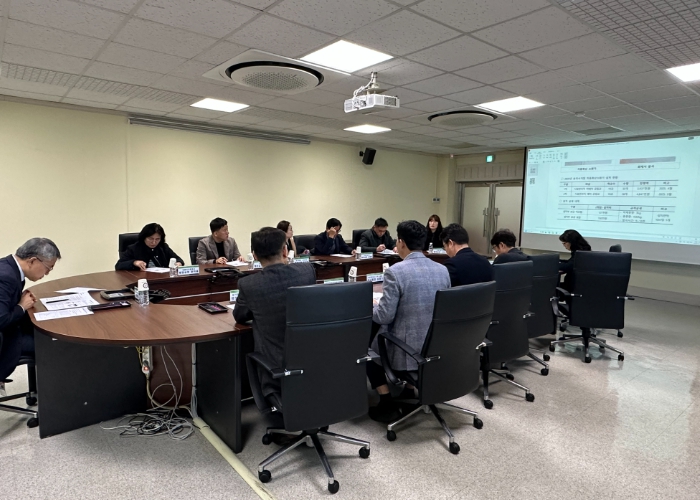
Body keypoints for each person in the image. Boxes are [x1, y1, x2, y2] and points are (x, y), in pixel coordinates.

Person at [367, 220, 451, 422]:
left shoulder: (395, 272)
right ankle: (408, 389)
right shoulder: (442, 270)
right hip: (435, 348)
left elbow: (385, 316)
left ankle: (386, 400)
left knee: (365, 350)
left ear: (401, 242)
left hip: (406, 352)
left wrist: (370, 307)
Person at [233, 227, 316, 398]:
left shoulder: (249, 284)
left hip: (276, 368)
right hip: (312, 360)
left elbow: (240, 316)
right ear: (285, 251)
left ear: (254, 255)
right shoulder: (307, 271)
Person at [0, 238, 61, 393]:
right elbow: (1, 320)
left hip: (9, 330)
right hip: (6, 338)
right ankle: (54, 398)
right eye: (48, 268)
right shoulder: (6, 277)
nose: (47, 273)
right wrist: (21, 306)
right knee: (53, 345)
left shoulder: (8, 266)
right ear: (32, 261)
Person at [115, 223, 185, 271]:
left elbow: (179, 259)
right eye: (151, 239)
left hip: (161, 279)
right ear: (144, 237)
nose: (154, 242)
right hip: (141, 280)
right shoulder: (134, 248)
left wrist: (178, 263)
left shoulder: (163, 247)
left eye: (157, 239)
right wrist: (134, 262)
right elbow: (119, 265)